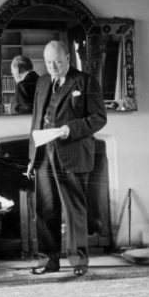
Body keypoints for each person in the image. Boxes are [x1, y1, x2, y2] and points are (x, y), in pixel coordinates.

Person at [25, 40, 107, 276]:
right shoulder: (41, 82)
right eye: (49, 62)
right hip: (44, 154)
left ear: (68, 59)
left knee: (74, 210)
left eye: (58, 62)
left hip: (72, 152)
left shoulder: (85, 81)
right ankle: (48, 261)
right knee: (45, 209)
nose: (53, 66)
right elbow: (36, 122)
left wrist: (69, 129)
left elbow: (99, 118)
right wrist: (32, 158)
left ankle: (78, 262)